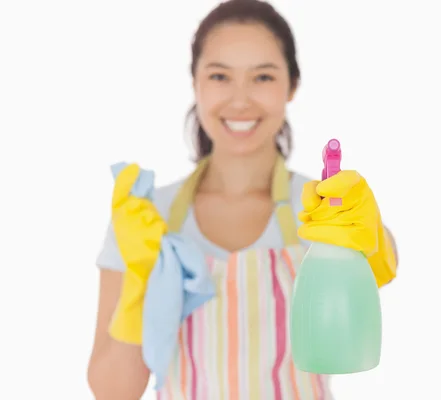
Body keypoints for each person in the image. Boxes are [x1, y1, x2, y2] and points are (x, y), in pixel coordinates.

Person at [87, 0, 398, 399]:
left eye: (263, 77)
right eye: (219, 76)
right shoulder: (146, 220)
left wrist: (373, 240)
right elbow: (112, 391)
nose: (240, 100)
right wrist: (139, 282)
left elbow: (384, 262)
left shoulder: (325, 209)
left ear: (292, 85)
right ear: (195, 83)